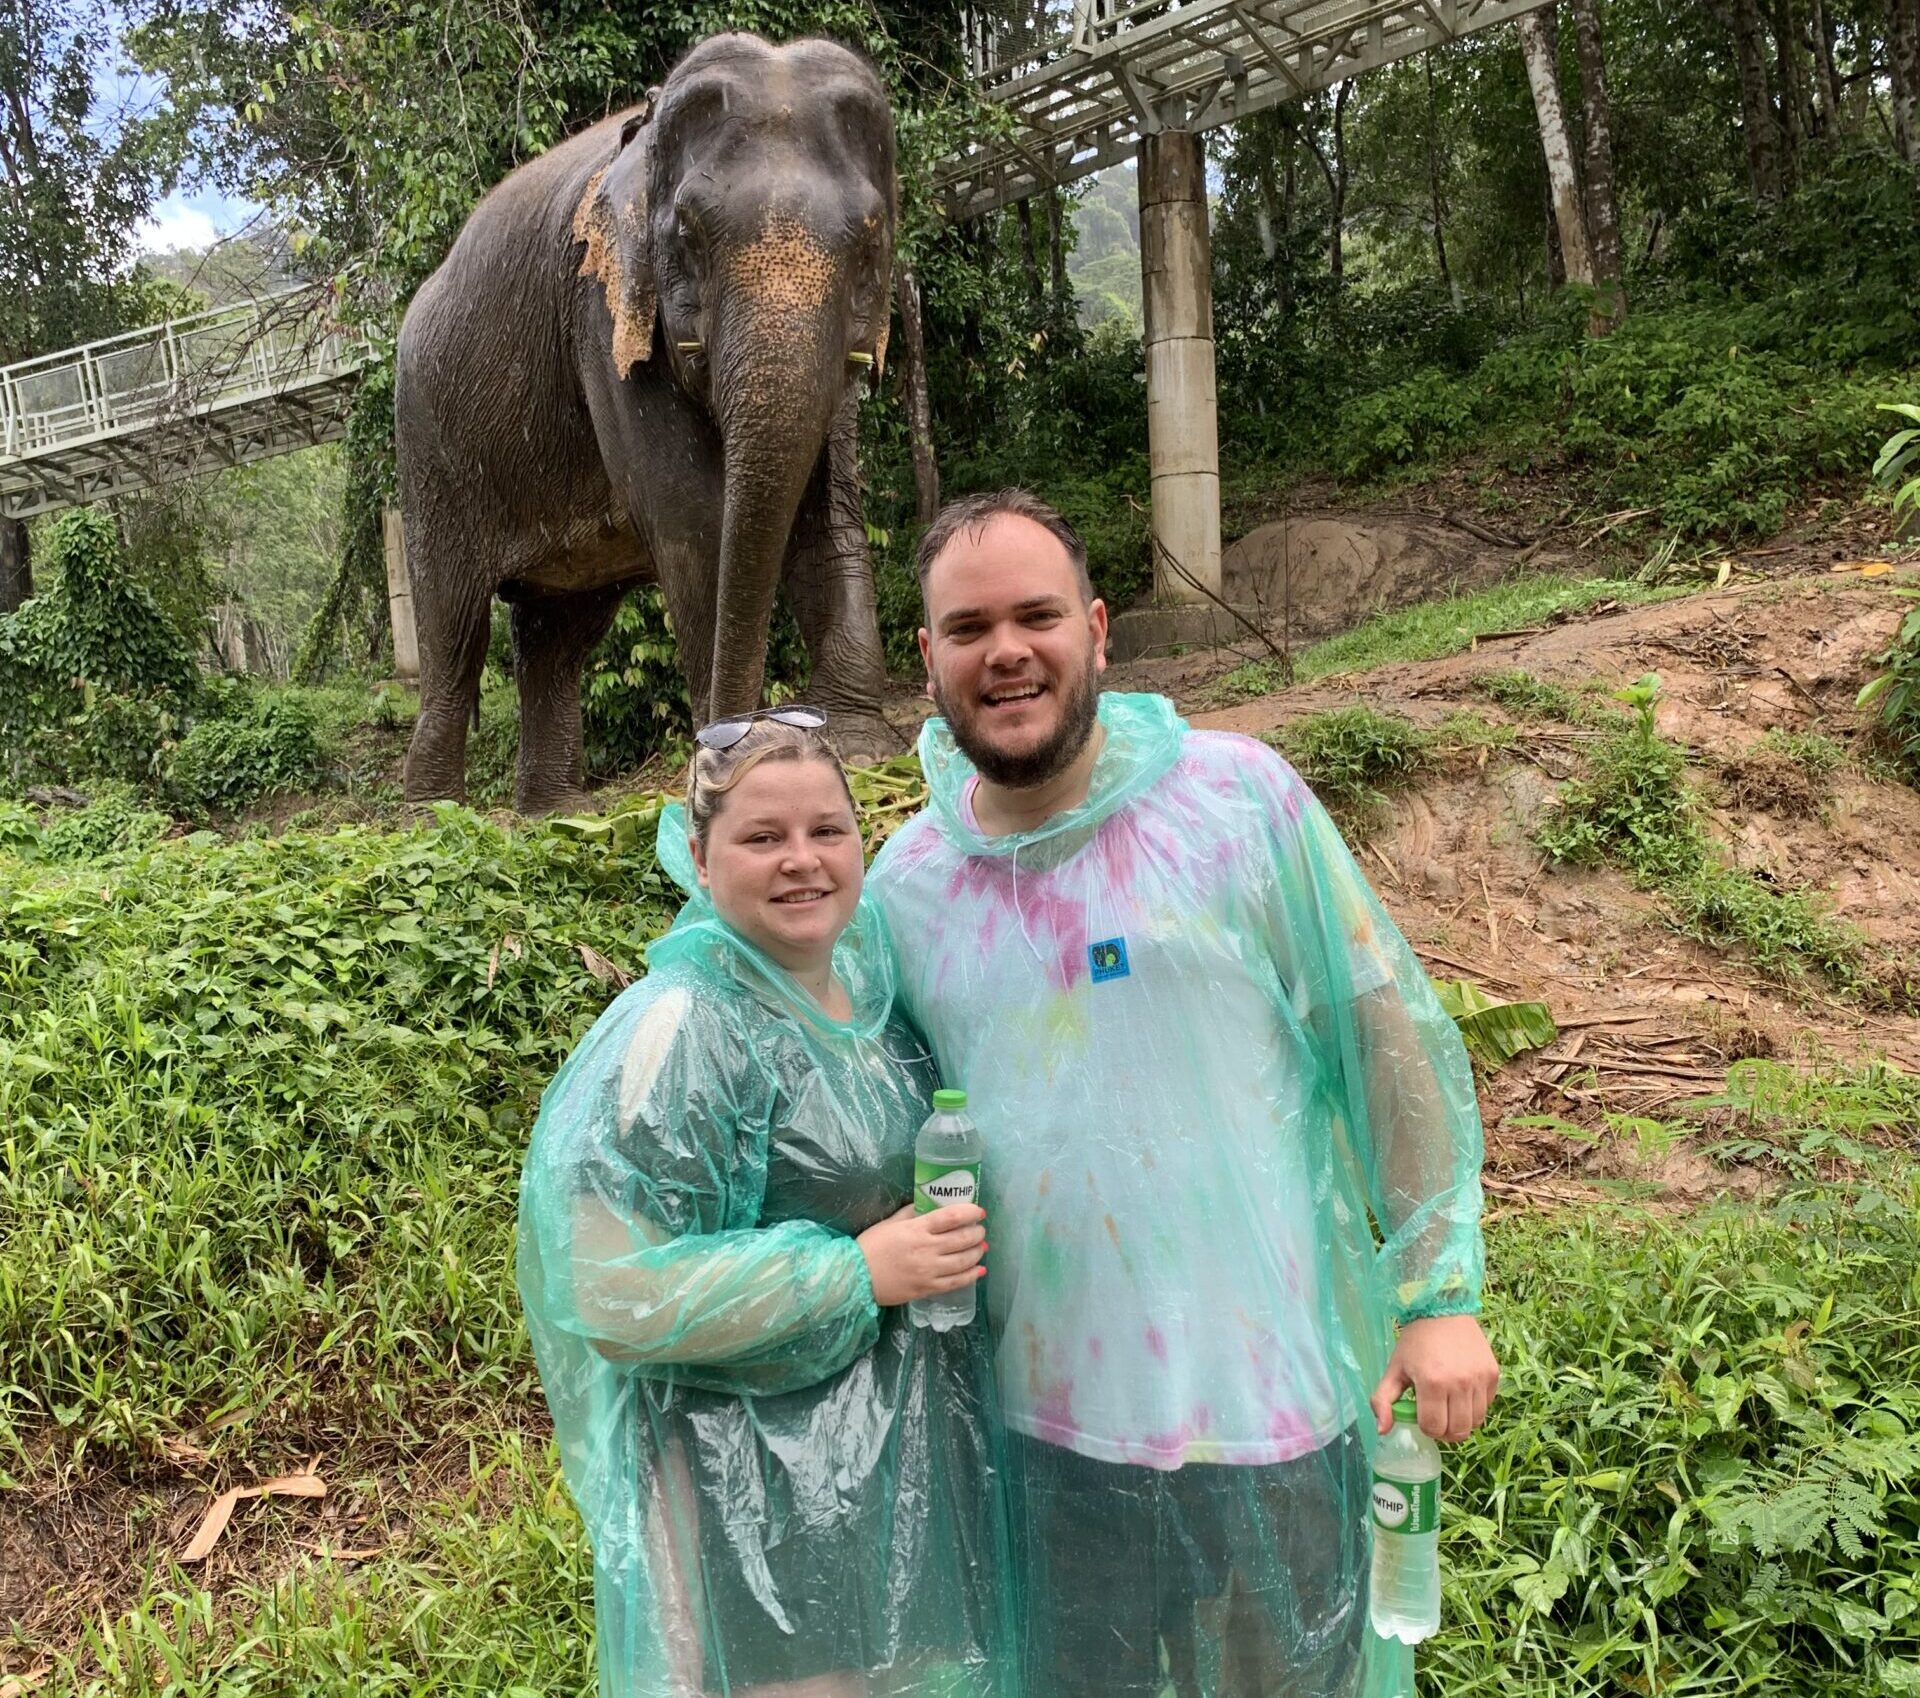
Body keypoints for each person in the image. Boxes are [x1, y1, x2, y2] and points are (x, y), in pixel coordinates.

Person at [868, 492, 1502, 1698]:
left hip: (1270, 1415)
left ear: (1098, 630)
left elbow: (1385, 1040)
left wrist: (1439, 1294)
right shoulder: (906, 887)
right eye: (969, 628)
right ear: (929, 659)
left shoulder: (1237, 801)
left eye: (1038, 616)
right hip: (1043, 1440)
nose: (1007, 651)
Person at [518, 708, 1012, 1698]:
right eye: (762, 837)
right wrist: (854, 1272)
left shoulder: (871, 999)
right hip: (749, 1492)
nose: (802, 860)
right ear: (701, 861)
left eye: (827, 830)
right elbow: (612, 1294)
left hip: (896, 1467)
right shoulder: (685, 1026)